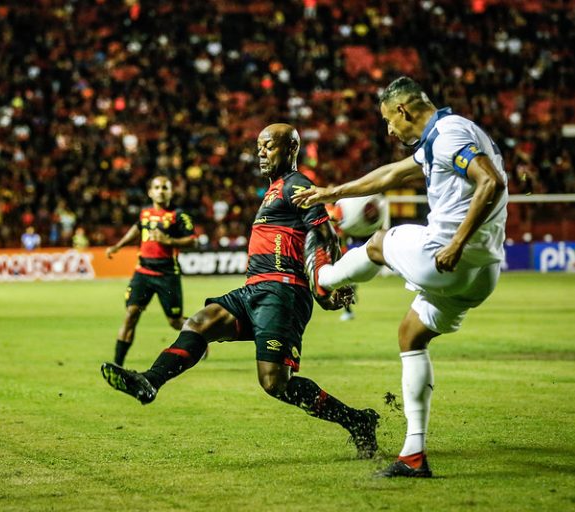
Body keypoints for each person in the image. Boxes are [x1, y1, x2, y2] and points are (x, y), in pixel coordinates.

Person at [101, 124, 380, 459]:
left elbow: (325, 236)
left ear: (290, 148)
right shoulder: (275, 189)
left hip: (282, 292)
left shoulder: (296, 184)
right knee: (200, 323)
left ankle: (357, 421)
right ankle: (149, 382)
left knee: (275, 383)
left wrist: (332, 283)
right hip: (254, 289)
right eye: (258, 147)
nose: (260, 153)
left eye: (269, 146)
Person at [292, 76, 508, 477]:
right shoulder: (455, 134)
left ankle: (325, 278)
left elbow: (489, 181)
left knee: (377, 243)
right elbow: (390, 176)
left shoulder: (447, 134)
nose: (389, 130)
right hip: (483, 275)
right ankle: (413, 454)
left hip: (444, 256)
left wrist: (457, 242)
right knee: (411, 335)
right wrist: (332, 193)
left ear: (403, 110)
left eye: (389, 121)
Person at [105, 176, 197, 367]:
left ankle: (199, 333)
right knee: (131, 315)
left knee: (174, 321)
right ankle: (117, 364)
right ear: (150, 192)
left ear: (171, 192)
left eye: (165, 187)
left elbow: (192, 241)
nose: (161, 190)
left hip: (167, 275)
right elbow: (137, 229)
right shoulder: (145, 213)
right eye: (157, 187)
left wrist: (169, 241)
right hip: (143, 273)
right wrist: (118, 246)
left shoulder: (178, 216)